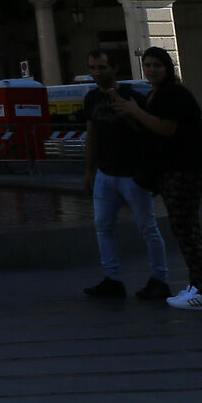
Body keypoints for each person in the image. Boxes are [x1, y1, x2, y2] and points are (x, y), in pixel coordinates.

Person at [120, 46, 202, 310]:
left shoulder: (174, 93)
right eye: (147, 65)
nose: (150, 70)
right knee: (184, 228)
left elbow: (167, 128)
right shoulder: (159, 93)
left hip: (184, 169)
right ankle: (198, 285)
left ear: (167, 68)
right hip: (176, 169)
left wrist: (135, 112)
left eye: (156, 65)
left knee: (186, 228)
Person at [83, 48, 172, 301]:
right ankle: (112, 279)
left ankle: (160, 279)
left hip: (133, 174)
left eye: (101, 68)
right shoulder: (90, 99)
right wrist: (89, 170)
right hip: (105, 174)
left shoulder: (133, 97)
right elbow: (92, 135)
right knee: (103, 226)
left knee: (148, 227)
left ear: (114, 68)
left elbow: (147, 133)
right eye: (92, 68)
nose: (96, 73)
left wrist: (130, 112)